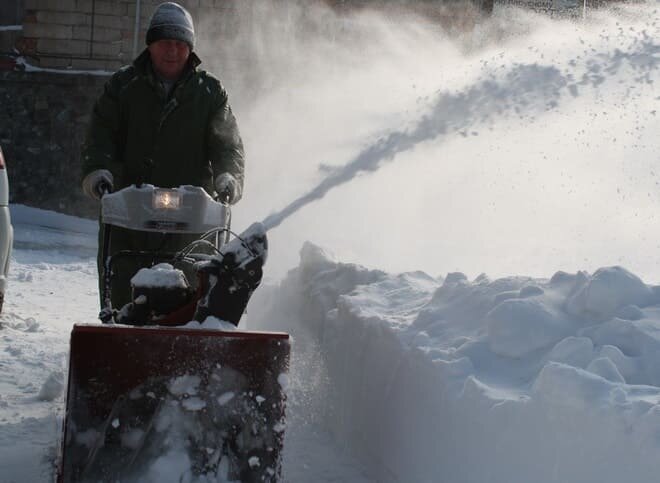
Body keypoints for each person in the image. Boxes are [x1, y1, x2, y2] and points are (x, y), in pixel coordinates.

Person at [80, 2, 245, 310]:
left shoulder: (209, 93)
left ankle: (187, 339)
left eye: (180, 44)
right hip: (128, 208)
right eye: (165, 43)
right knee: (124, 281)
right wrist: (98, 171)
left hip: (192, 214)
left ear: (190, 49)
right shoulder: (123, 86)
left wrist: (228, 176)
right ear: (151, 46)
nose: (172, 51)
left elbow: (227, 144)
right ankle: (120, 326)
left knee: (190, 285)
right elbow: (100, 135)